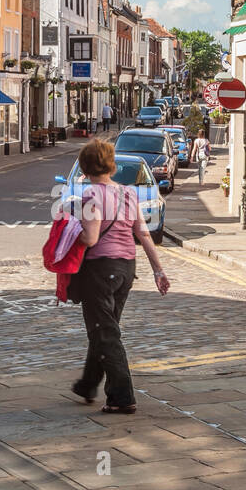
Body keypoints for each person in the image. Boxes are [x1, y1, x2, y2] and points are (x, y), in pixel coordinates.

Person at [68, 139, 171, 415]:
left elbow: (90, 238)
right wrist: (158, 270)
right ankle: (88, 384)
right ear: (110, 165)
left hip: (100, 269)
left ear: (86, 166)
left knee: (106, 333)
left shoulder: (91, 195)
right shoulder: (128, 193)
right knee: (105, 328)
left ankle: (122, 396)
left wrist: (70, 228)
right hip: (127, 269)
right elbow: (144, 234)